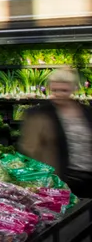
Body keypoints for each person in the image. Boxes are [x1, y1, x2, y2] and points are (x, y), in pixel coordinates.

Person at [19, 67, 92, 198]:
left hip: (89, 180)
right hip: (60, 182)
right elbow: (29, 148)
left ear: (74, 88)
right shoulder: (39, 115)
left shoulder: (86, 112)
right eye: (55, 90)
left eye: (64, 90)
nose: (59, 94)